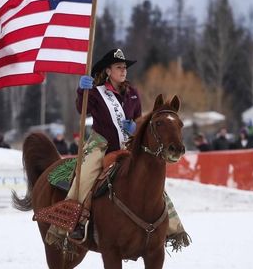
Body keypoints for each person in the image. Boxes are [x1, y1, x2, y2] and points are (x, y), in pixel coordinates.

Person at [49, 48, 188, 248]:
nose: (123, 71)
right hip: (101, 144)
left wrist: (134, 127)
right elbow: (82, 109)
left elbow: (139, 120)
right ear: (108, 71)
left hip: (128, 144)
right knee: (84, 178)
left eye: (125, 68)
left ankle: (172, 227)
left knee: (152, 179)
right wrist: (82, 91)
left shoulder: (133, 94)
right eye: (119, 67)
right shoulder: (97, 93)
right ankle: (68, 225)